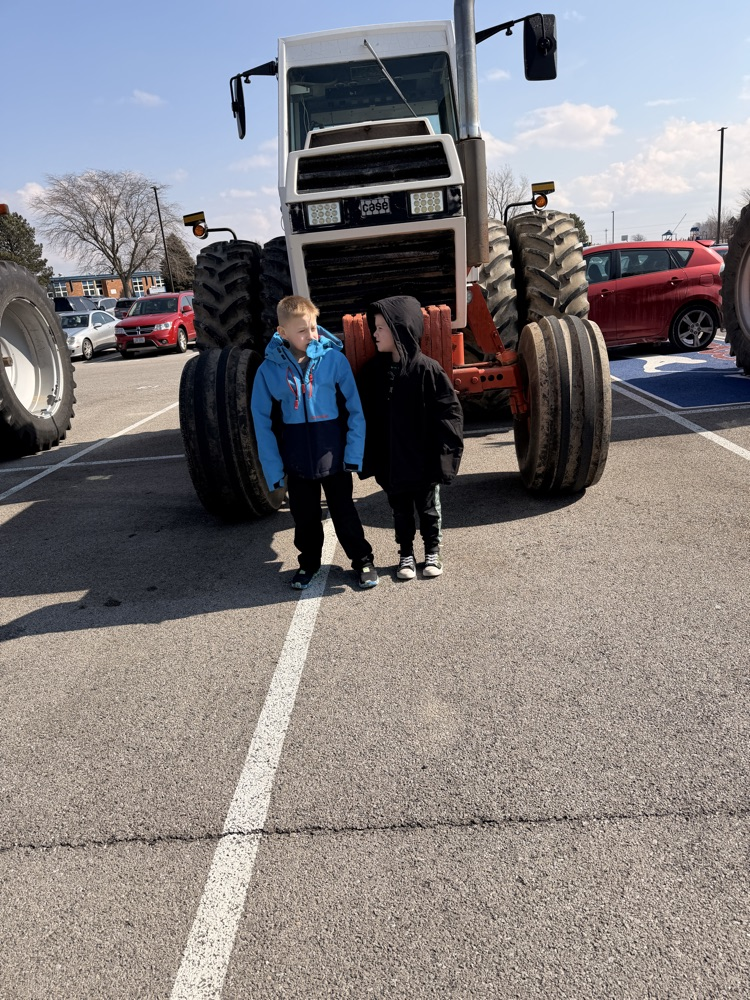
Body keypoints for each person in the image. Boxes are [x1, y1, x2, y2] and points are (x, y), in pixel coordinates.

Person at [251, 295, 378, 590]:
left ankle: (363, 561)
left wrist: (353, 454)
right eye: (302, 330)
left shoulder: (334, 360)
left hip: (334, 459)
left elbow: (355, 411)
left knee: (345, 513)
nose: (310, 335)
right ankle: (308, 564)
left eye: (313, 327)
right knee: (305, 519)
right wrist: (274, 470)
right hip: (296, 464)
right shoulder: (268, 370)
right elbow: (262, 424)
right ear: (282, 332)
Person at [357, 295, 464, 580]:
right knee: (400, 511)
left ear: (400, 329)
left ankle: (432, 551)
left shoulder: (427, 369)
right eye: (374, 327)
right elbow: (362, 416)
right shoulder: (372, 373)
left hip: (423, 459)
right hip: (392, 461)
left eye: (381, 328)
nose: (374, 333)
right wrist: (368, 457)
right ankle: (406, 554)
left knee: (428, 510)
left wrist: (445, 457)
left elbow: (449, 413)